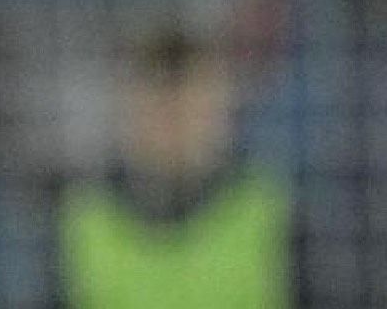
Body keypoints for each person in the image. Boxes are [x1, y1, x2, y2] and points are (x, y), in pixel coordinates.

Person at [58, 20, 293, 309]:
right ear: (129, 109)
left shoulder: (273, 211)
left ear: (223, 110)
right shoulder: (82, 220)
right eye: (160, 106)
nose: (176, 124)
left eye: (192, 107)